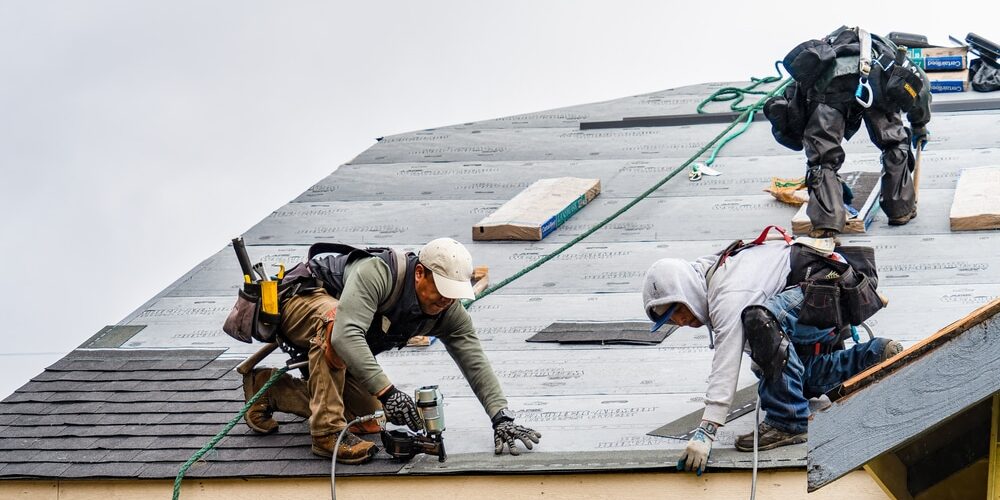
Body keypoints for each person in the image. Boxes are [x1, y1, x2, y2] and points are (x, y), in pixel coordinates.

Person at [242, 237, 541, 464]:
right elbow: (346, 335)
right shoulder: (379, 274)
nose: (446, 301)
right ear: (420, 274)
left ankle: (269, 390)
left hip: (334, 348)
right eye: (442, 291)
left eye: (453, 295)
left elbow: (474, 359)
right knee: (334, 323)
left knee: (368, 418)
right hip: (302, 301)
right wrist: (389, 392)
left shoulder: (447, 310)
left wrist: (501, 417)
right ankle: (326, 434)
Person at [641, 232, 902, 475]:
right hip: (822, 298)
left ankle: (787, 421)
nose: (680, 321)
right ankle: (873, 356)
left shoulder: (727, 291)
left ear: (686, 290)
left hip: (827, 291)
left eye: (676, 310)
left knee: (757, 320)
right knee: (794, 380)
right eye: (670, 321)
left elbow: (726, 359)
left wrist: (707, 430)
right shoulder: (708, 274)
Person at [768, 27, 932, 238]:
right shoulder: (886, 52)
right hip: (875, 82)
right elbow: (921, 87)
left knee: (822, 157)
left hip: (829, 90)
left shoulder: (819, 57)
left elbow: (797, 108)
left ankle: (826, 223)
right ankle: (900, 208)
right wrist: (919, 126)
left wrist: (824, 179)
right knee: (894, 142)